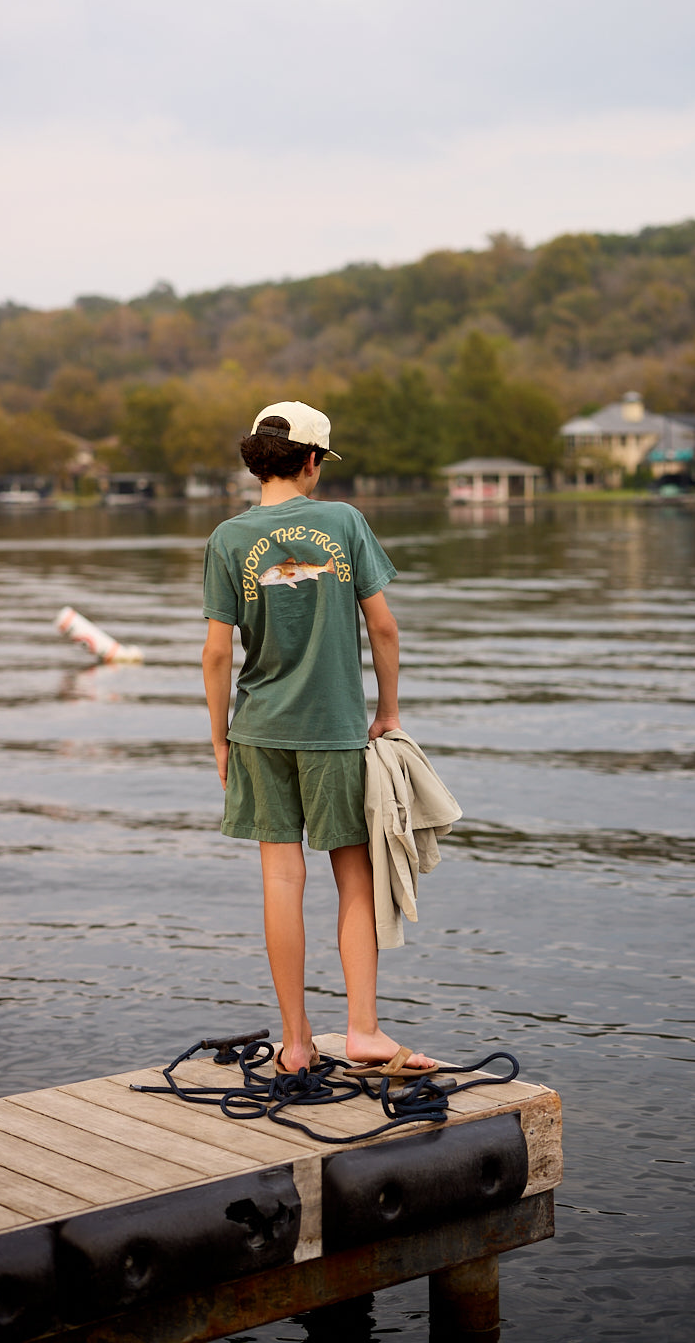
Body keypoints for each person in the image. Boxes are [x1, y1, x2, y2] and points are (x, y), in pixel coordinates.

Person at [202, 401, 435, 1078]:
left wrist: (219, 740)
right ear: (311, 460)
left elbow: (217, 655)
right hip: (332, 731)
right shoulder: (342, 522)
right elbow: (384, 629)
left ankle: (296, 1043)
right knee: (354, 878)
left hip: (256, 731)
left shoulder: (226, 539)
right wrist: (387, 710)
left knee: (281, 879)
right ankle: (362, 1031)